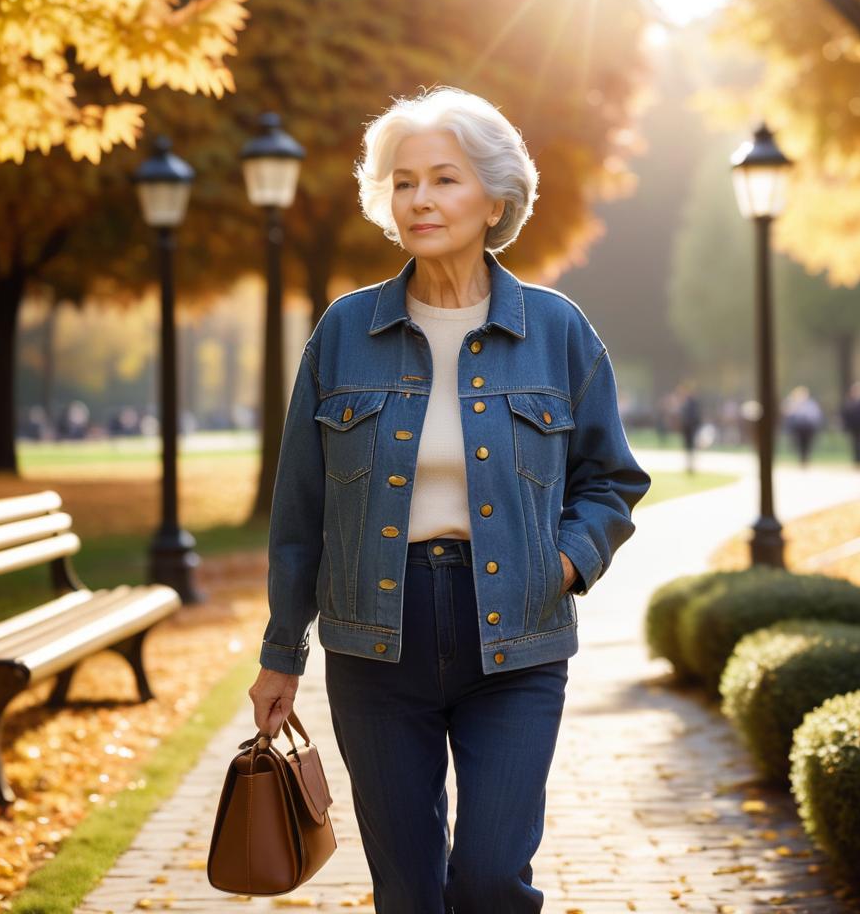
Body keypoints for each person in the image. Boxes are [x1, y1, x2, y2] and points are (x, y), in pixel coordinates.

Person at [246, 86, 652, 914]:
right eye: (403, 182)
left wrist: (568, 562)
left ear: (496, 197)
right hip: (375, 646)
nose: (420, 199)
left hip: (517, 639)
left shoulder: (557, 329)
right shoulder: (343, 331)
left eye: (444, 179)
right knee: (407, 890)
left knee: (493, 877)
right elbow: (299, 515)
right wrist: (282, 652)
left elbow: (612, 479)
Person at [782, 385, 824, 466]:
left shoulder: (811, 403)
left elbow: (815, 415)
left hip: (808, 427)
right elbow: (786, 413)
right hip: (797, 427)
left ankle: (805, 459)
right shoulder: (792, 402)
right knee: (798, 444)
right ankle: (801, 459)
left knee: (807, 444)